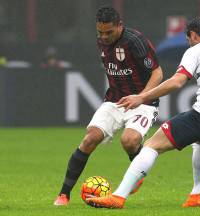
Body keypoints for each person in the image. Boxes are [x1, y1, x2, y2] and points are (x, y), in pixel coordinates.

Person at [86, 17, 200, 209]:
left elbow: (177, 82)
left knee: (152, 145)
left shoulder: (196, 50)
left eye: (188, 39)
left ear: (192, 35)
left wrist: (141, 98)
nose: (189, 43)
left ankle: (118, 197)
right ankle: (196, 195)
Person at [54, 7, 163, 206]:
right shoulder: (101, 42)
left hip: (143, 102)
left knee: (129, 141)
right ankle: (63, 195)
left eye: (109, 32)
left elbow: (158, 73)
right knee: (89, 139)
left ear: (120, 26)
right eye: (100, 32)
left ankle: (137, 171)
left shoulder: (135, 40)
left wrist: (141, 97)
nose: (104, 37)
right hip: (114, 101)